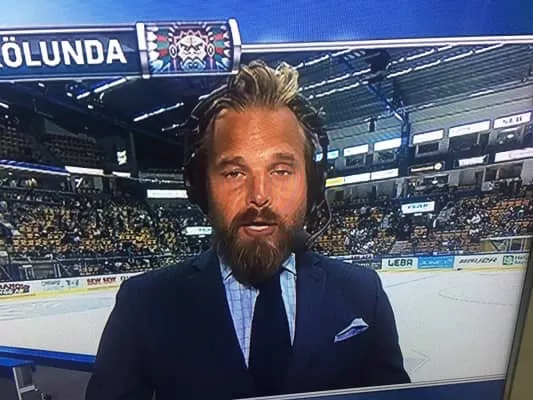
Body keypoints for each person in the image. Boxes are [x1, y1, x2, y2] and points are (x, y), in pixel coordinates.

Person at [85, 60, 410, 400]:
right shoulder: (143, 305)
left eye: (281, 171)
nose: (259, 196)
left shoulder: (364, 293)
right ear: (201, 187)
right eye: (234, 173)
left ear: (312, 184)